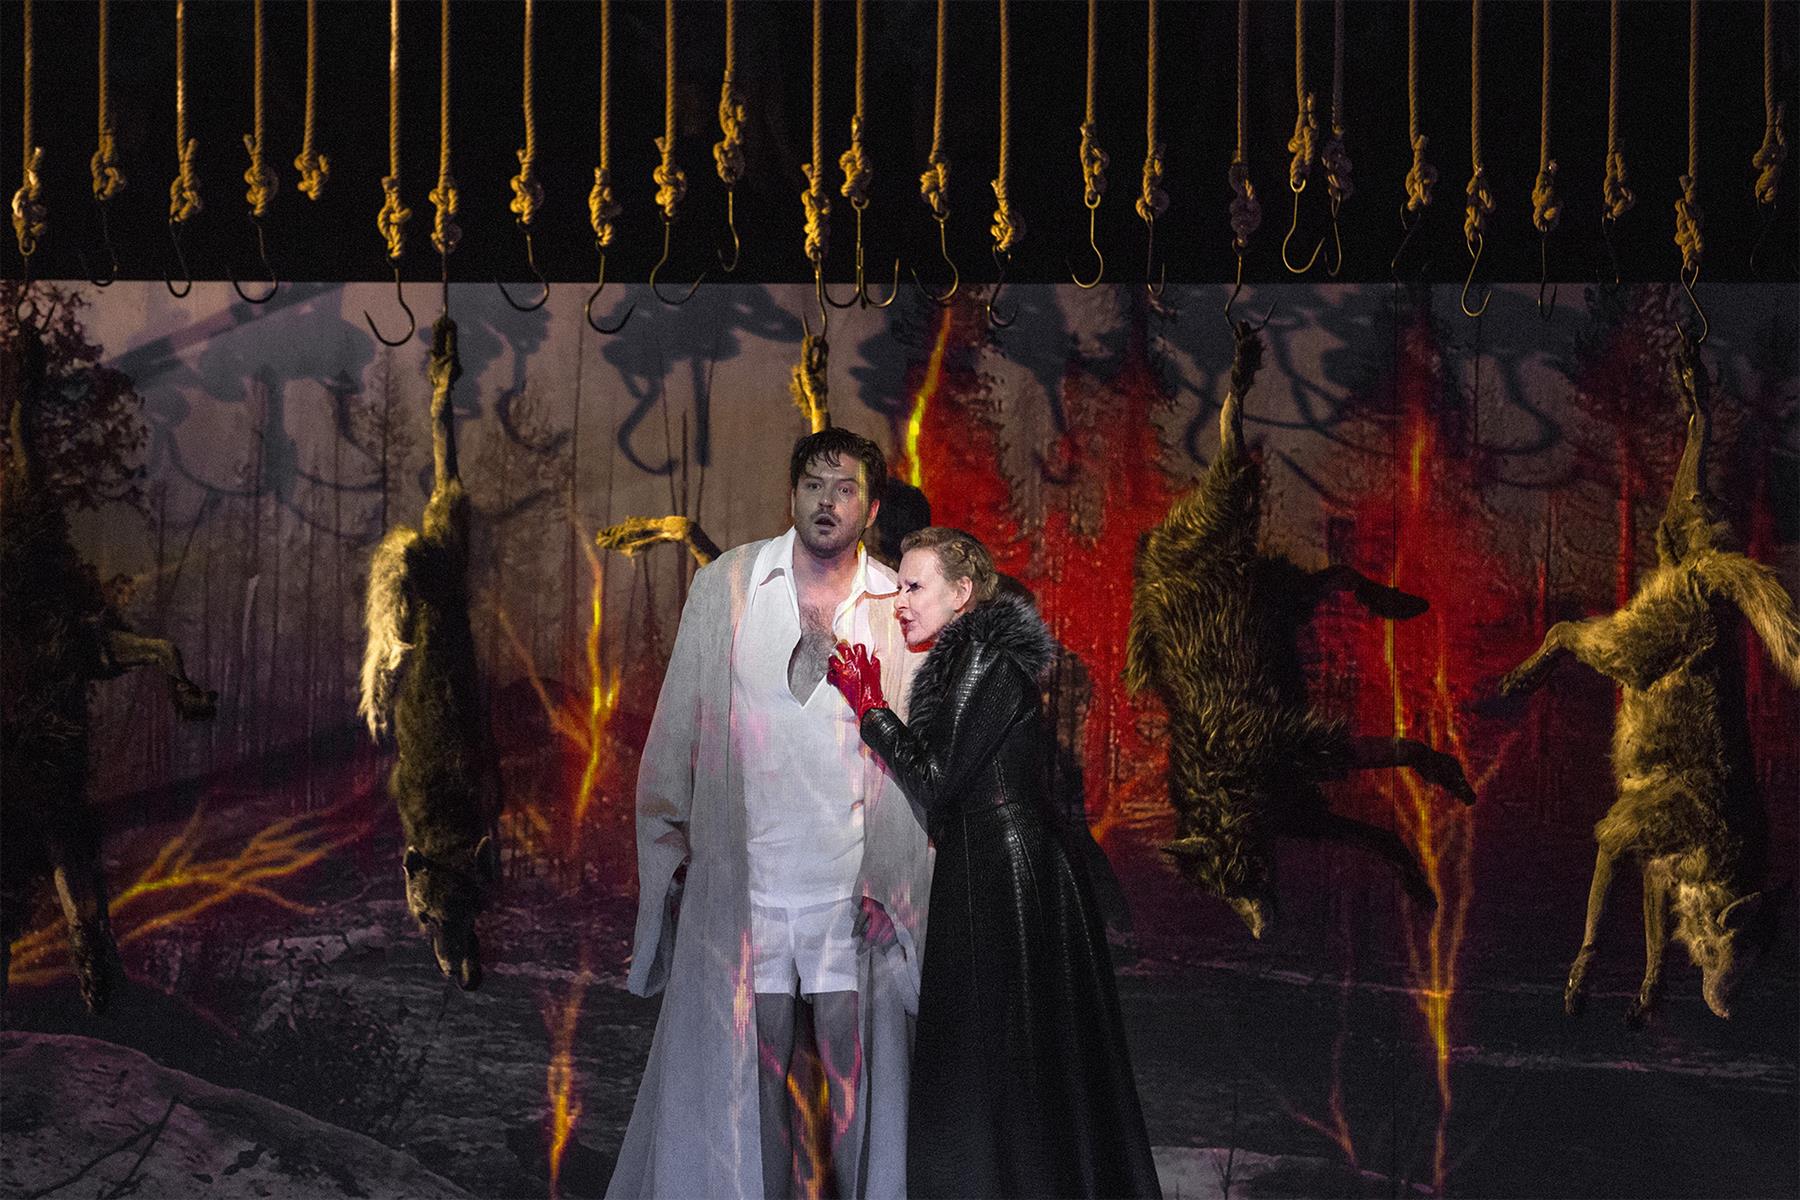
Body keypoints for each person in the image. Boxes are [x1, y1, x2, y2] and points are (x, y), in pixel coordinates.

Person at [607, 430, 931, 1200]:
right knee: (746, 1090)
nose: (827, 502)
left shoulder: (897, 606)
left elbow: (918, 766)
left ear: (871, 508)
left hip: (848, 899)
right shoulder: (729, 585)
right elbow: (677, 731)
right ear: (791, 495)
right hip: (748, 894)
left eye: (845, 489)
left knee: (853, 1094)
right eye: (814, 485)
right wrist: (671, 858)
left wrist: (897, 886)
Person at [828, 528, 1162, 1200]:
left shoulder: (983, 659)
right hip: (991, 869)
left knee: (1003, 1065)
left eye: (916, 587)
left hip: (1004, 878)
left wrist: (871, 708)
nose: (901, 601)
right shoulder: (967, 662)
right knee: (1002, 1069)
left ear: (962, 592)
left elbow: (936, 781)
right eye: (899, 586)